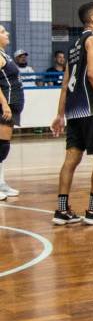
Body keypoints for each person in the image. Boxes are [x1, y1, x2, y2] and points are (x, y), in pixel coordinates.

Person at [50, 2, 93, 225]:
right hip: (91, 107)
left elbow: (65, 83)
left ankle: (62, 210)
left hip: (74, 109)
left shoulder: (73, 45)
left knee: (71, 158)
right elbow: (92, 74)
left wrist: (60, 114)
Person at [0, 26, 24, 199]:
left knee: (3, 146)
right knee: (1, 146)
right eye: (2, 32)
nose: (6, 33)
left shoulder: (4, 54)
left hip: (12, 105)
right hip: (4, 106)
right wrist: (4, 104)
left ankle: (1, 183)